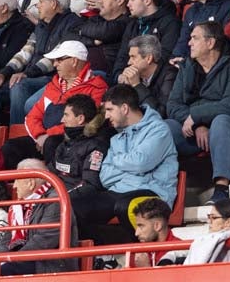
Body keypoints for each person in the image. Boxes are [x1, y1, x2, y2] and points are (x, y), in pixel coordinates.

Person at [165, 21, 230, 203]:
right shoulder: (187, 67)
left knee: (222, 121)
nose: (189, 43)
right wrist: (198, 124)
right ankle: (162, 189)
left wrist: (196, 116)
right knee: (165, 128)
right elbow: (173, 105)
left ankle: (221, 189)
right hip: (199, 131)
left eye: (195, 38)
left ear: (210, 43)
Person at [74, 84, 177, 227]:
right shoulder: (116, 138)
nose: (106, 116)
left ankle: (141, 249)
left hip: (153, 192)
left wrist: (117, 161)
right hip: (119, 191)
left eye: (110, 110)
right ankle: (101, 247)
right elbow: (105, 177)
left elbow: (141, 163)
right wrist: (132, 168)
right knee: (76, 207)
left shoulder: (158, 129)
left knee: (125, 206)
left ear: (124, 108)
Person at [4, 40, 107, 168]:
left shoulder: (97, 87)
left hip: (73, 141)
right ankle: (17, 187)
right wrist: (40, 135)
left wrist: (48, 135)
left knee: (52, 143)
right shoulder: (53, 85)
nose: (55, 64)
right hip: (42, 139)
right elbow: (32, 116)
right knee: (11, 147)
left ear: (74, 61)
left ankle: (52, 186)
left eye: (59, 60)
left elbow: (86, 120)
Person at [0, 0, 85, 126]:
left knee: (19, 85)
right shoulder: (41, 25)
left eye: (41, 1)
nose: (37, 5)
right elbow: (26, 51)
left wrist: (27, 74)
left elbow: (57, 57)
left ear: (54, 4)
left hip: (52, 78)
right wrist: (4, 73)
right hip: (31, 76)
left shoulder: (72, 23)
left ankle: (19, 134)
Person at [1, 159, 78, 276]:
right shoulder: (17, 207)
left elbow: (44, 240)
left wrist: (12, 259)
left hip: (46, 266)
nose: (14, 186)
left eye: (17, 180)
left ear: (30, 183)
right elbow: (5, 239)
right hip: (24, 260)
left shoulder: (55, 200)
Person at [115, 0, 180, 74]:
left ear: (147, 0)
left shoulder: (171, 24)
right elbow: (122, 57)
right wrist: (119, 76)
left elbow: (164, 57)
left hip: (154, 83)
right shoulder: (132, 25)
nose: (128, 4)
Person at [114, 35, 176, 117]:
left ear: (148, 58)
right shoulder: (135, 76)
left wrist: (137, 85)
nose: (129, 62)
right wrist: (124, 86)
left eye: (133, 57)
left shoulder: (170, 75)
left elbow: (160, 114)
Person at [78, 0, 131, 73]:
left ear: (120, 0)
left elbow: (105, 31)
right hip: (79, 75)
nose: (99, 0)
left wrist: (81, 31)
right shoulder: (98, 19)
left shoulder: (126, 23)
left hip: (102, 77)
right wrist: (92, 41)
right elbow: (71, 35)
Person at [130, 197, 179, 267]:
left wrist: (145, 268)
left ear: (157, 226)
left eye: (141, 226)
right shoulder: (138, 252)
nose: (136, 233)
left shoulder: (179, 251)